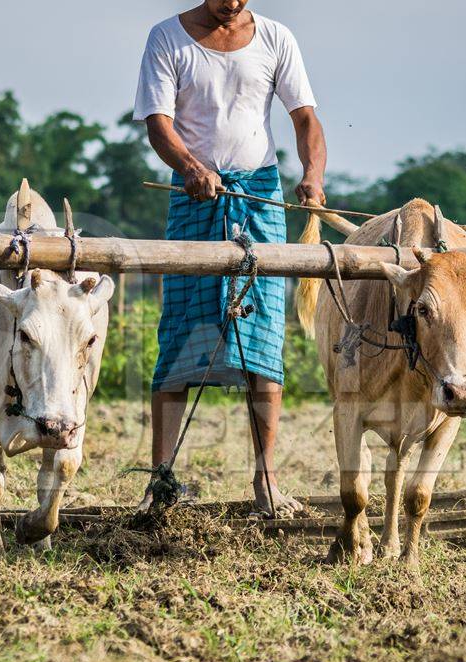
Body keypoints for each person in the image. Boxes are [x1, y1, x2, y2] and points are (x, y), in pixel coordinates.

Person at [133, 0, 327, 517]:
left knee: (264, 337)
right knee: (179, 333)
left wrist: (312, 174)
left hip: (260, 198)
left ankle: (266, 478)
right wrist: (192, 166)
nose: (234, 5)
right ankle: (161, 481)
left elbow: (305, 118)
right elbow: (159, 124)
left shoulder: (276, 38)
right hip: (194, 197)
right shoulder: (166, 38)